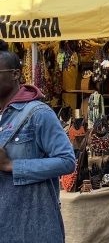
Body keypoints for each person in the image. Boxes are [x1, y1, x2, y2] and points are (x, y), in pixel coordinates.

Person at [0, 40, 76, 242]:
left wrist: (11, 165)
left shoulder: (38, 114)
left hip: (31, 226)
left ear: (15, 74)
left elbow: (67, 161)